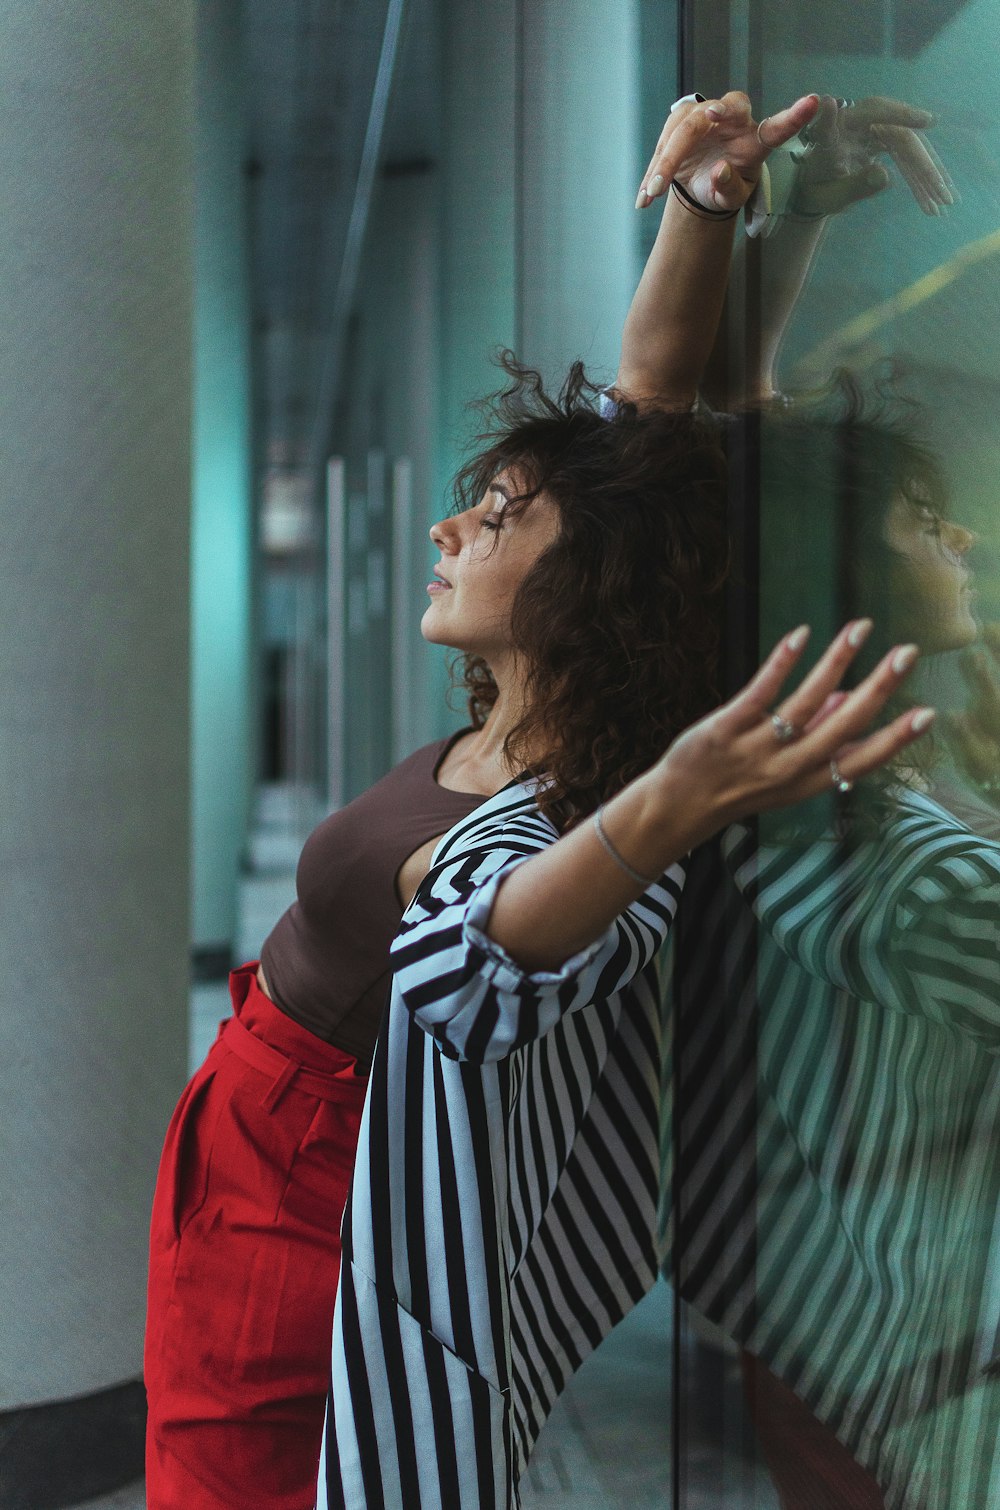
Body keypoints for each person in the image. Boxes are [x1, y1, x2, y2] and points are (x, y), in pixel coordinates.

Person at [314, 93, 938, 1510]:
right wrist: (719, 211)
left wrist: (670, 798)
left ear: (582, 584)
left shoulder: (576, 797)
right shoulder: (541, 718)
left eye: (500, 512)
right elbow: (645, 419)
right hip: (281, 1154)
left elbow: (479, 962)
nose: (449, 525)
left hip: (312, 1184)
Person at [660, 99, 1000, 1510]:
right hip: (920, 1388)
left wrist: (787, 219)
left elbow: (736, 457)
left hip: (816, 1337)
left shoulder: (780, 794)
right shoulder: (905, 867)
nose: (963, 535)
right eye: (927, 521)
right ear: (840, 576)